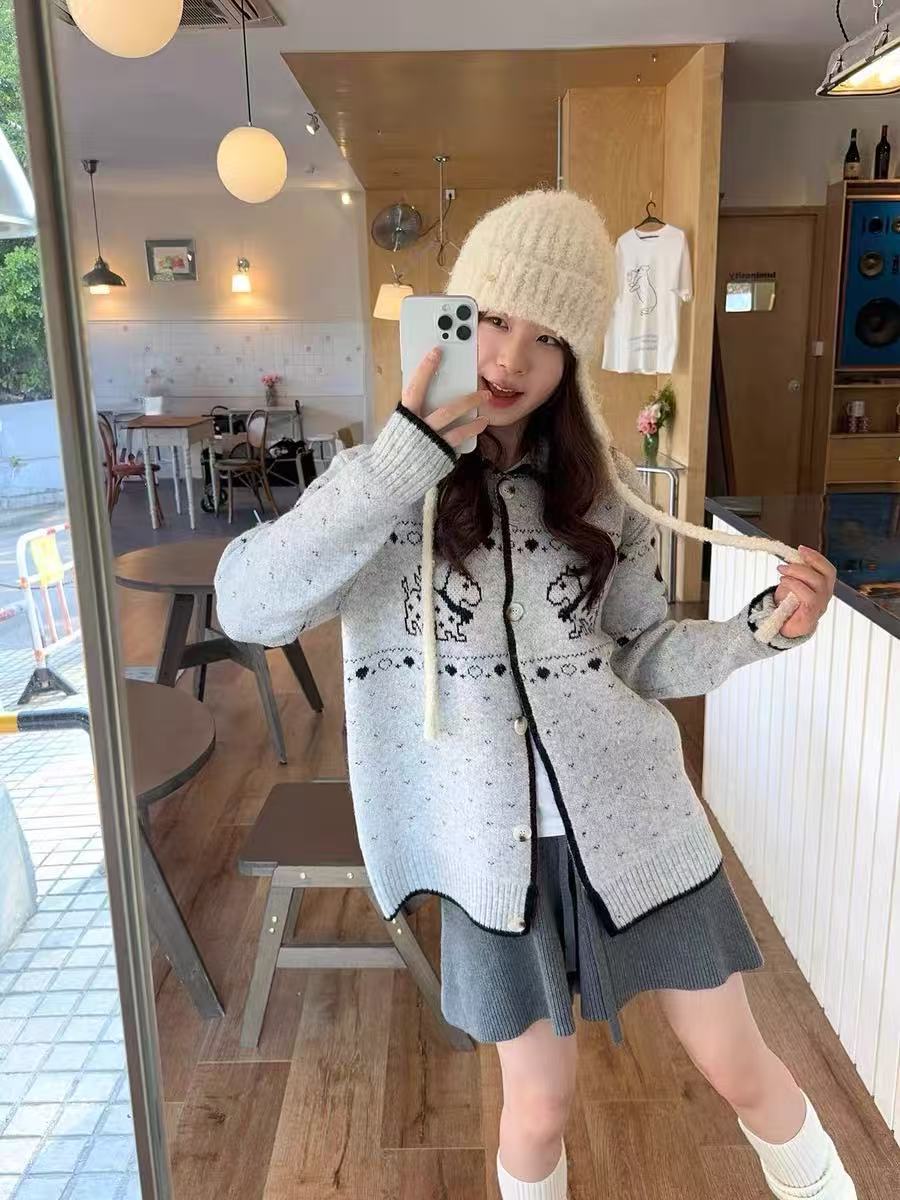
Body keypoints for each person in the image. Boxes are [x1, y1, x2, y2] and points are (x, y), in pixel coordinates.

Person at [214, 190, 849, 1200]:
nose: (512, 359)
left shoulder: (600, 491)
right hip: (487, 851)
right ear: (453, 318)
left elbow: (641, 656)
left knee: (742, 1068)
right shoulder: (374, 489)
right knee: (539, 1108)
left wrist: (756, 631)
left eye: (548, 337)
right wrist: (398, 467)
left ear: (573, 361)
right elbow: (249, 606)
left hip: (640, 823)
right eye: (495, 318)